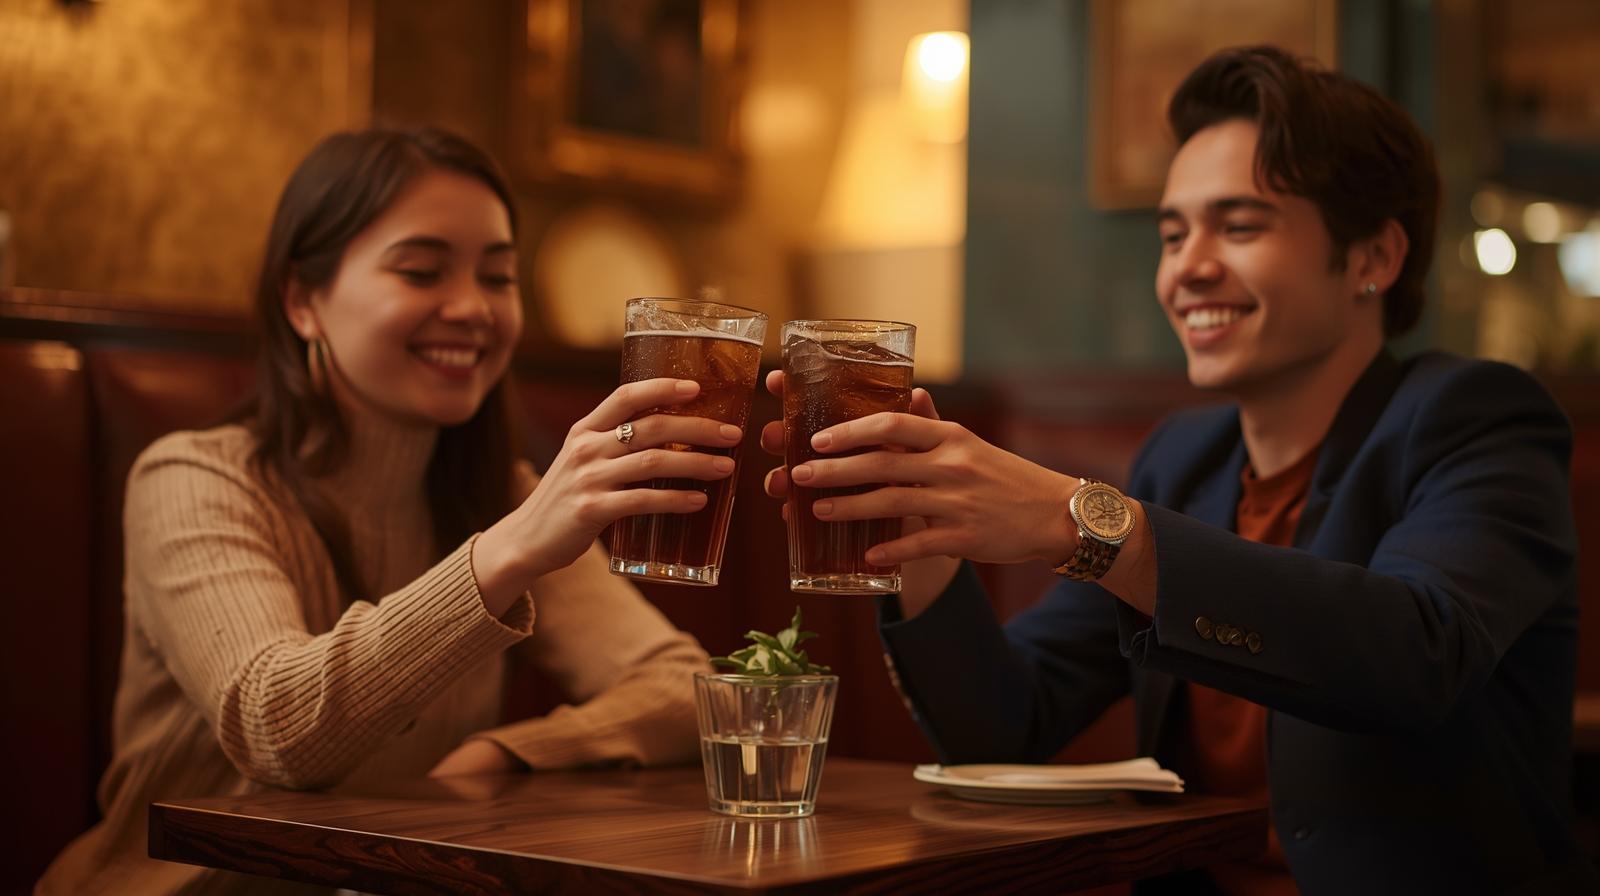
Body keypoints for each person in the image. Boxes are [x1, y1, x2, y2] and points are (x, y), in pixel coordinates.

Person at [761, 46, 1592, 893]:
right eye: (1172, 233)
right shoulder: (1186, 462)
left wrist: (1081, 522)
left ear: (1373, 257)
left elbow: (1419, 657)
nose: (1188, 267)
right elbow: (1007, 726)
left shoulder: (1476, 418)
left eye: (1238, 226)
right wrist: (921, 533)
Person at [39, 127, 731, 894]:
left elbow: (681, 689)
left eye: (497, 277)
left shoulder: (494, 494)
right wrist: (504, 554)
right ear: (302, 301)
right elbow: (277, 729)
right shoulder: (193, 479)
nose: (472, 308)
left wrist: (506, 755)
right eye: (422, 271)